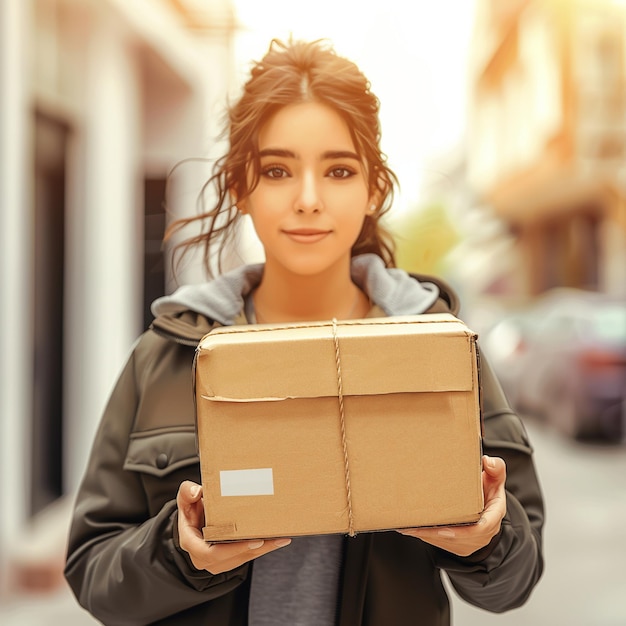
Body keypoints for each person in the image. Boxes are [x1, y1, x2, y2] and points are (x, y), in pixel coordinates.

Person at [64, 38, 544, 625]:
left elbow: (517, 579)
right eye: (277, 170)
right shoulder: (167, 355)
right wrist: (179, 551)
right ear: (242, 186)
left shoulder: (442, 350)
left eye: (338, 170)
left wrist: (487, 541)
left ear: (373, 190)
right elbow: (94, 572)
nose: (309, 200)